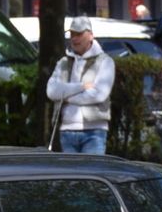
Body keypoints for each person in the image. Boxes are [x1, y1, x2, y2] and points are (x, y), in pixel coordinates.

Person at [45, 17, 115, 154]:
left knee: (92, 174)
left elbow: (98, 95)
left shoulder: (105, 61)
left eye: (79, 34)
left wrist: (64, 95)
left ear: (90, 35)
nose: (74, 39)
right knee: (70, 176)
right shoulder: (63, 62)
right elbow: (51, 92)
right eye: (72, 34)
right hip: (66, 130)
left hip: (94, 131)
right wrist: (81, 87)